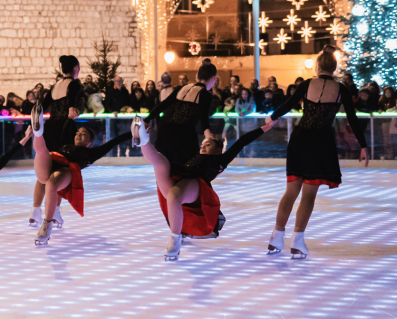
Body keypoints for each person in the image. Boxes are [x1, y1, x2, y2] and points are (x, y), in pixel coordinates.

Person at [264, 46, 368, 259]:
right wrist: (363, 145)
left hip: (300, 138)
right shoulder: (342, 90)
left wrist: (272, 118)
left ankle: (276, 238)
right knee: (308, 195)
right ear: (335, 68)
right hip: (320, 142)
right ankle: (297, 242)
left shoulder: (307, 84)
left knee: (291, 191)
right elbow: (353, 119)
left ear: (318, 66)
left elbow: (288, 104)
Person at [132, 114, 274, 260]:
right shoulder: (194, 155)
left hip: (196, 183)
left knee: (174, 195)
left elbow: (242, 141)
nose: (203, 146)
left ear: (219, 149)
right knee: (160, 162)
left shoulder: (220, 160)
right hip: (179, 175)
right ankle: (143, 141)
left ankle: (174, 240)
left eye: (208, 144)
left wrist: (265, 128)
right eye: (203, 144)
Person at [28, 102, 131, 245]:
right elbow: (66, 130)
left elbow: (114, 142)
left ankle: (47, 224)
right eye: (77, 133)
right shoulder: (66, 144)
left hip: (67, 171)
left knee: (51, 183)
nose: (78, 135)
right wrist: (70, 119)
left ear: (90, 141)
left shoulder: (92, 152)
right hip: (52, 162)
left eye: (83, 134)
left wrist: (135, 132)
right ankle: (38, 132)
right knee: (42, 158)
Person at [143, 62, 217, 171]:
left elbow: (163, 105)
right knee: (189, 170)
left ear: (198, 76)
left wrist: (147, 120)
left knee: (167, 171)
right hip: (183, 136)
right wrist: (208, 134)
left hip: (164, 132)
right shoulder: (205, 94)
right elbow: (203, 116)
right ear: (213, 78)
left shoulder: (182, 88)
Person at [42, 55, 84, 152]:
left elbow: (42, 106)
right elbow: (71, 97)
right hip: (65, 128)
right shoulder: (74, 83)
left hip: (50, 128)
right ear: (76, 67)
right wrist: (72, 107)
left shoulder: (55, 85)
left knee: (53, 159)